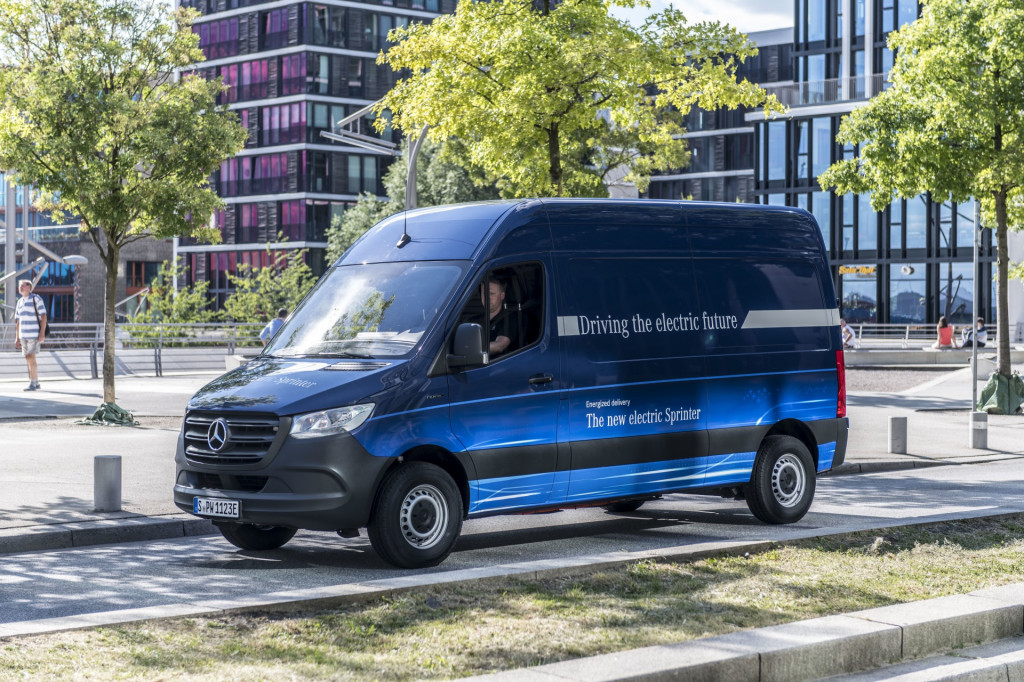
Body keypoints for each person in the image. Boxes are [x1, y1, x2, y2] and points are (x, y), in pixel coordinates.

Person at [14, 279, 47, 391]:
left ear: (29, 287)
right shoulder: (19, 302)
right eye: (20, 286)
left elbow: (43, 316)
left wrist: (42, 333)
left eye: (23, 286)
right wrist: (17, 337)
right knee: (28, 358)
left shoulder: (36, 299)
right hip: (23, 335)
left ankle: (33, 383)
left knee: (31, 357)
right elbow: (18, 322)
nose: (21, 288)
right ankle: (35, 382)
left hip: (34, 334)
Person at [486, 278, 518, 356]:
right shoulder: (472, 320)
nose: (487, 297)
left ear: (502, 296)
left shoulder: (510, 319)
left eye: (491, 293)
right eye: (484, 293)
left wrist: (473, 350)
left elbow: (499, 345)